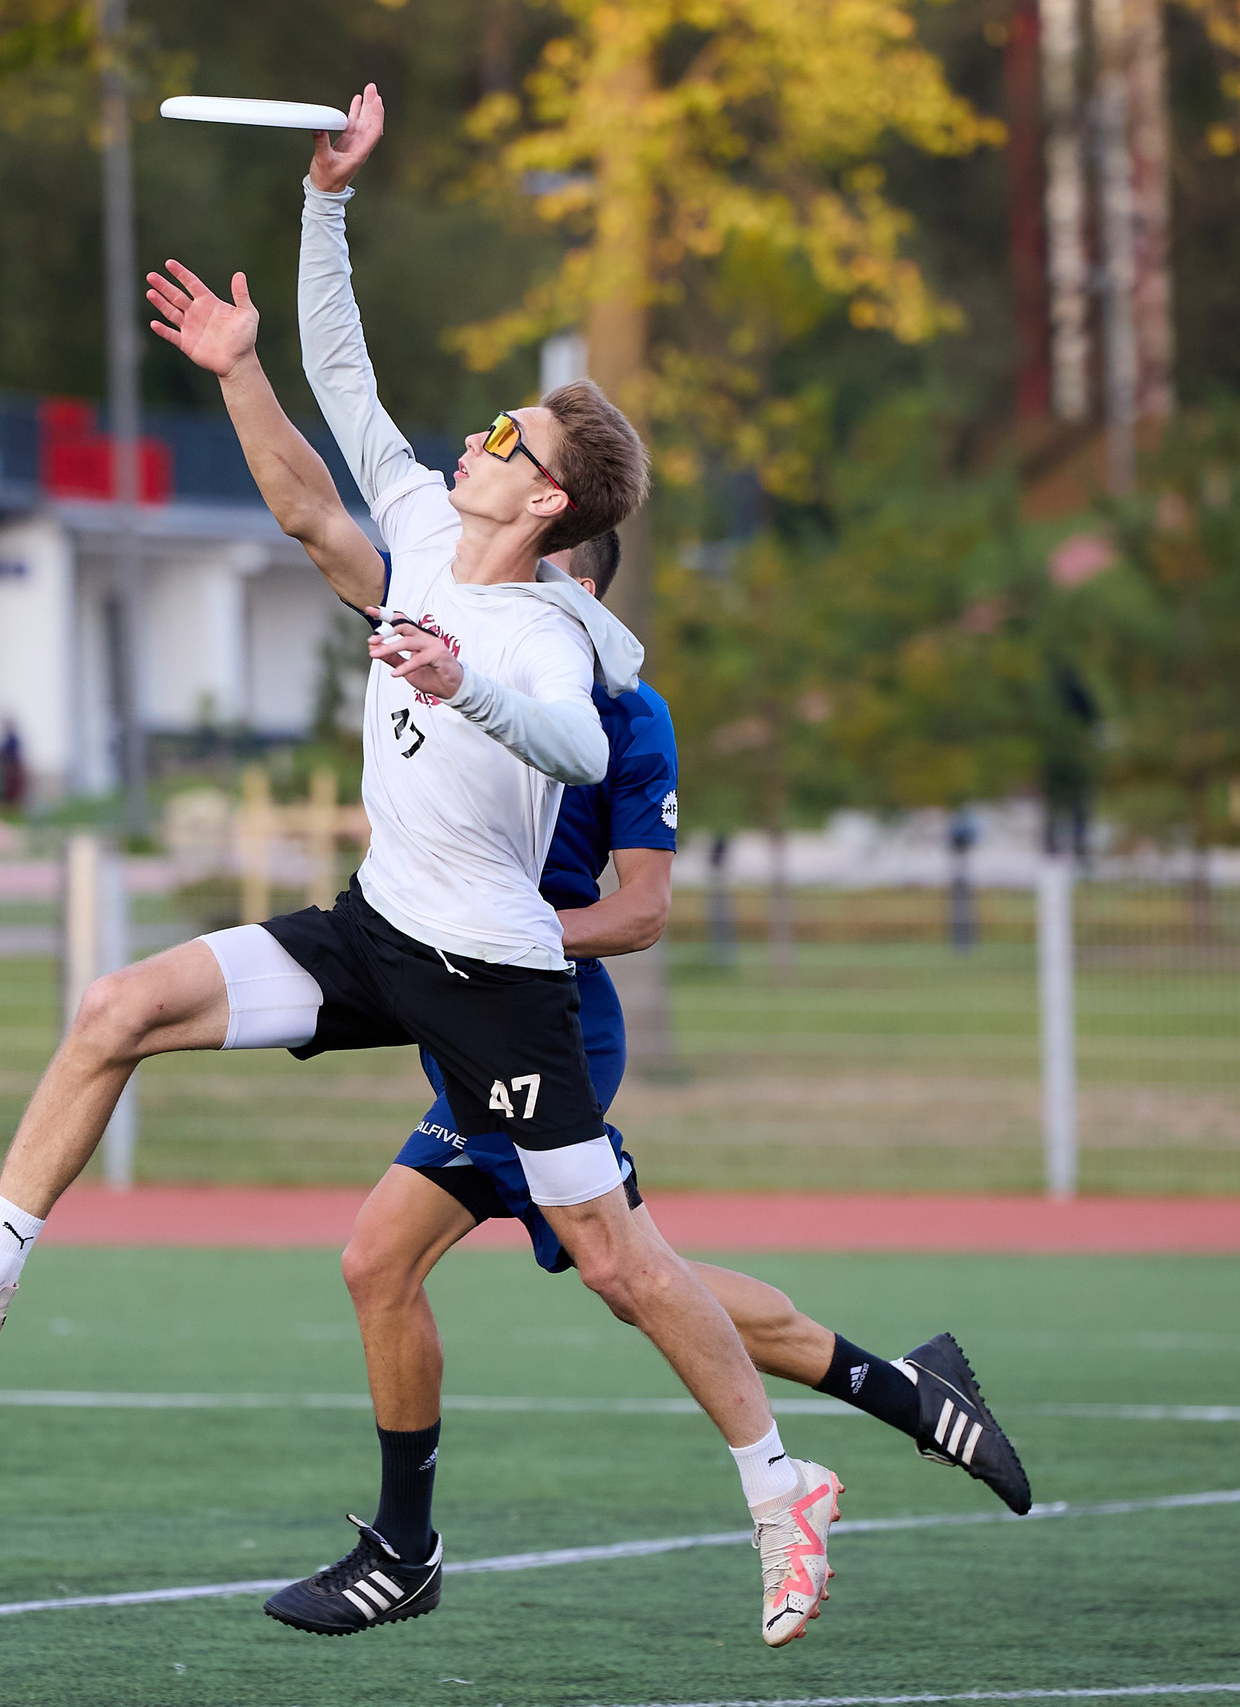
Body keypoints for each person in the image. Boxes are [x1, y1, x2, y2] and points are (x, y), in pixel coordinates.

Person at [0, 176, 839, 1656]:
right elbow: (341, 391)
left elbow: (572, 746)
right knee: (118, 1007)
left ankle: (779, 1486)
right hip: (375, 936)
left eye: (510, 441)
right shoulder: (425, 526)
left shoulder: (549, 637)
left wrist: (460, 682)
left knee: (620, 1263)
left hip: (494, 982)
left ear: (545, 504)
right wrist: (318, 220)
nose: (479, 441)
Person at [292, 84, 1028, 1645]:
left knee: (626, 1270)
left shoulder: (604, 702)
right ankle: (905, 1392)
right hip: (462, 988)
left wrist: (480, 948)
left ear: (568, 560)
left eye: (533, 532)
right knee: (505, 1261)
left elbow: (634, 910)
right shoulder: (453, 592)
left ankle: (812, 1447)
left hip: (529, 1002)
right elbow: (331, 488)